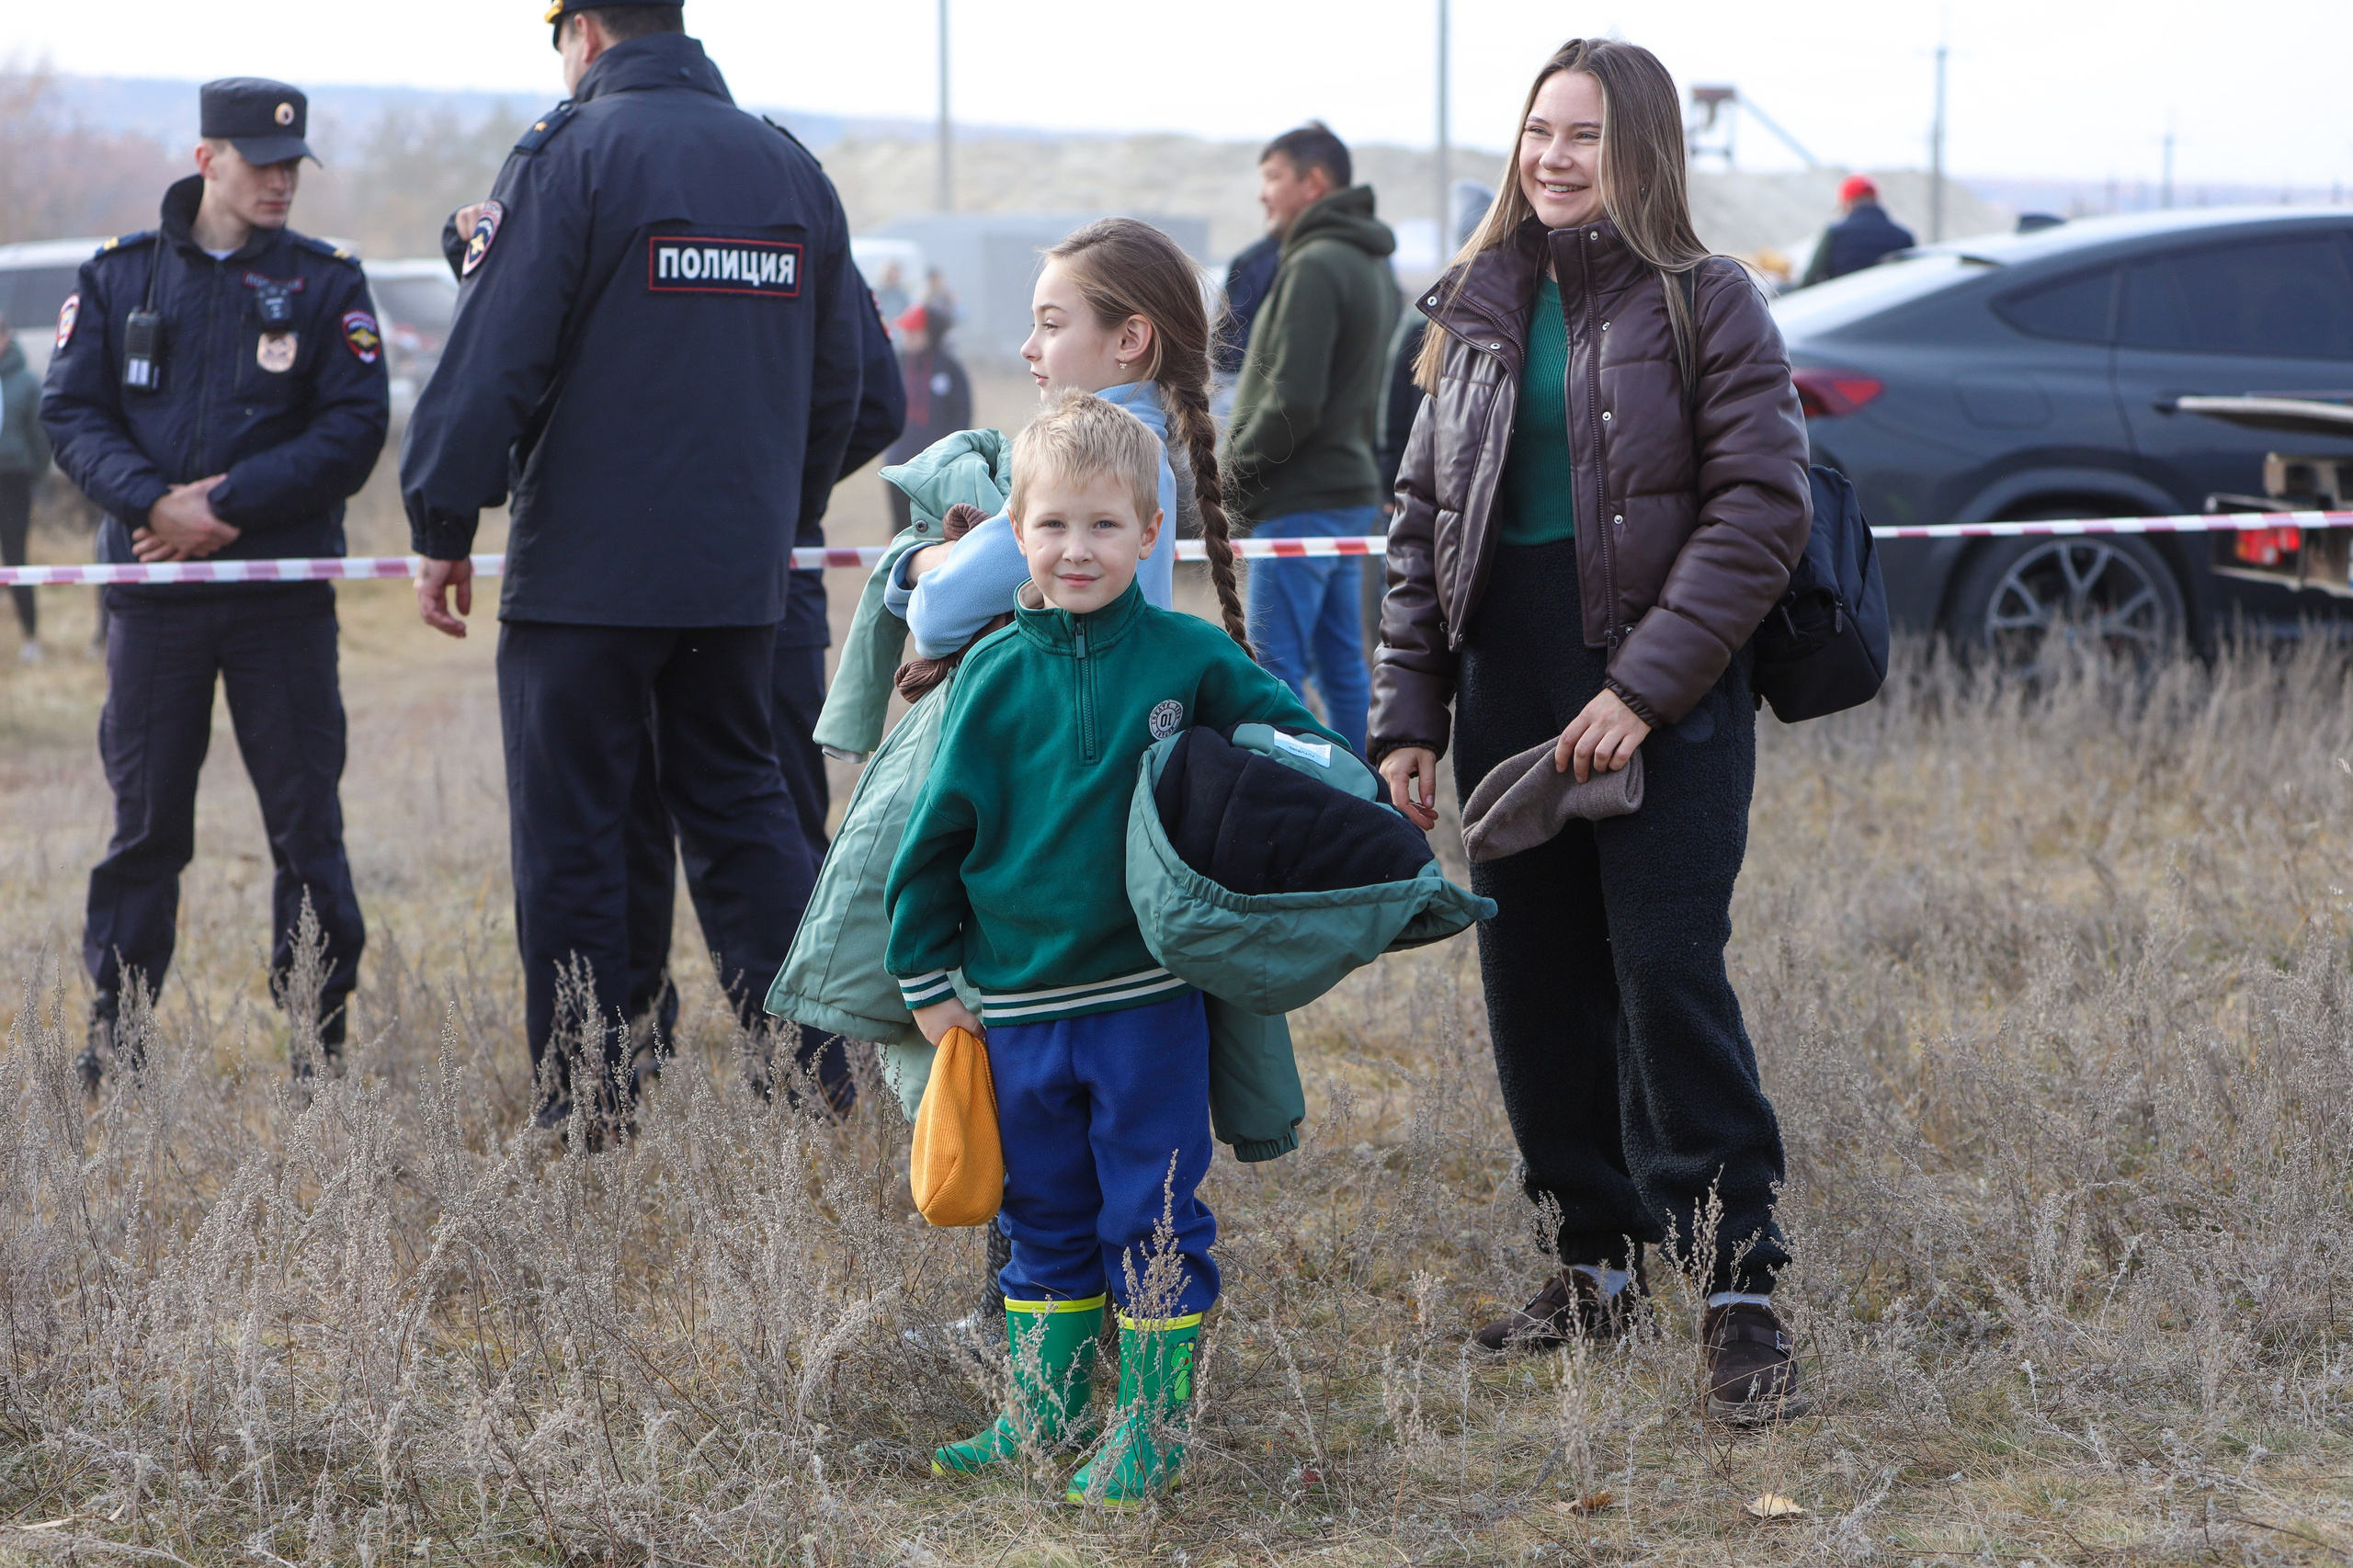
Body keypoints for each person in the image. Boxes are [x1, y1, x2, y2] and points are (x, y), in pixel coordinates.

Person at [1370, 38, 1814, 1425]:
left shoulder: (1710, 300)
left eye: (1586, 135)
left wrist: (1642, 692)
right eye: (1538, 131)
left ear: (1646, 150)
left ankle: (1738, 1288)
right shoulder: (1472, 307)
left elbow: (1759, 514)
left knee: (1665, 970)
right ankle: (1595, 1260)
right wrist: (1407, 715)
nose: (1553, 158)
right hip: (1509, 683)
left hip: (1662, 696)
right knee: (1536, 983)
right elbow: (1420, 526)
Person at [399, 0, 866, 1136]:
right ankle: (814, 1085)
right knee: (748, 815)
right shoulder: (788, 167)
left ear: (588, 34)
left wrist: (444, 519)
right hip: (737, 576)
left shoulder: (570, 155)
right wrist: (778, 510)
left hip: (585, 584)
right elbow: (853, 384)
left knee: (576, 831)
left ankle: (587, 1106)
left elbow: (491, 353)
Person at [890, 390, 1347, 1503]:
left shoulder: (1187, 656)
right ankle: (1039, 1415)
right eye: (1050, 526)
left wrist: (1339, 789)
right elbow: (932, 837)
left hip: (1148, 1006)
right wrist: (926, 978)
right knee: (1038, 1215)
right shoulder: (991, 674)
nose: (1076, 549)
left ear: (1152, 534)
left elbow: (1301, 740)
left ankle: (1149, 1426)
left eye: (1103, 526)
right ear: (1015, 533)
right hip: (1015, 1013)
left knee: (1150, 1210)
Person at [40, 78, 388, 1091]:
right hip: (155, 603)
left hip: (278, 595)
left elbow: (353, 424)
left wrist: (226, 503)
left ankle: (317, 1044)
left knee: (305, 825)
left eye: (292, 164)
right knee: (146, 827)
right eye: (260, 162)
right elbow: (72, 415)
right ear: (207, 161)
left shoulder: (325, 284)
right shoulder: (117, 279)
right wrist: (155, 503)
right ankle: (120, 1036)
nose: (281, 180)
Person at [890, 218, 1249, 661]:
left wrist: (923, 560)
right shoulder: (1146, 451)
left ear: (1129, 338)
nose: (1028, 347)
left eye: (1052, 325)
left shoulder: (1087, 457)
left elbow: (935, 618)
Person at [1225, 121, 1398, 757]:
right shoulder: (1366, 261)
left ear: (1313, 182)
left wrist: (1230, 472)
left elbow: (1293, 398)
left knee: (1274, 669)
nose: (1263, 195)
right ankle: (1363, 798)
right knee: (1341, 666)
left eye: (1273, 178)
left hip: (1301, 496)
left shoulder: (1317, 263)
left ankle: (1295, 805)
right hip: (1344, 490)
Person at [881, 301, 972, 533]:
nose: (906, 336)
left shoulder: (950, 368)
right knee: (900, 530)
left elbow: (962, 416)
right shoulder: (897, 363)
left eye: (913, 331)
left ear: (930, 334)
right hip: (898, 465)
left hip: (936, 470)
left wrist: (950, 459)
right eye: (905, 331)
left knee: (937, 529)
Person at [0, 313, 51, 661]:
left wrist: (36, 476)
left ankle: (31, 636)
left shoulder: (26, 382)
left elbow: (40, 437)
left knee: (15, 556)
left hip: (13, 479)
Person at [1800, 174, 1915, 285]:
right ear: (1875, 200)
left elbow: (1810, 279)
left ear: (1846, 203)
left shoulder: (1835, 235)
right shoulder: (1903, 236)